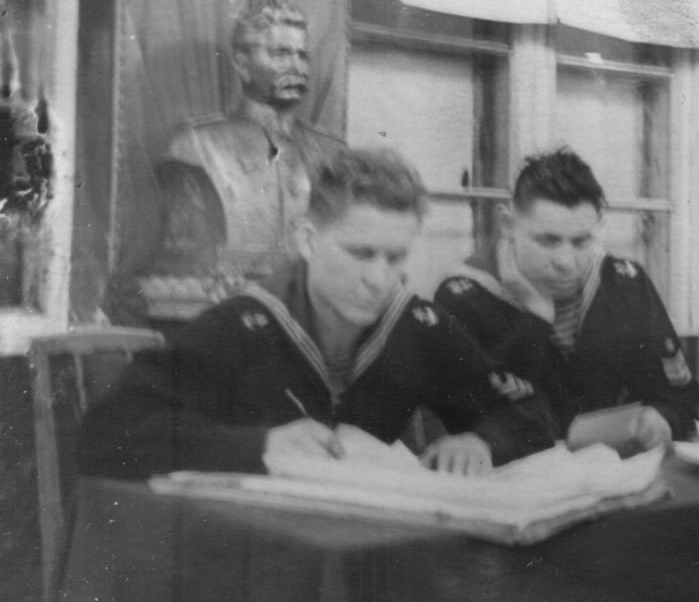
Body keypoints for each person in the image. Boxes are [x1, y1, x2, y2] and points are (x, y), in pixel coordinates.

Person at [82, 149, 555, 479]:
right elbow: (105, 434)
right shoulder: (242, 325)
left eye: (395, 258)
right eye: (361, 253)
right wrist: (259, 446)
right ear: (308, 240)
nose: (379, 278)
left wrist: (480, 442)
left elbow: (527, 411)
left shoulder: (416, 326)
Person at [434, 147, 699, 452]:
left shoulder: (623, 284)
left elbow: (683, 396)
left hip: (614, 468)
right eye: (548, 240)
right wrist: (535, 322)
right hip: (512, 474)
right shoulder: (463, 297)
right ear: (507, 224)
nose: (566, 261)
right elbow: (468, 419)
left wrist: (663, 418)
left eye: (581, 241)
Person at [152, 5, 344, 278]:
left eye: (302, 56)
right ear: (243, 65)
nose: (296, 67)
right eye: (281, 54)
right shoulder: (195, 145)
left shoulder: (332, 152)